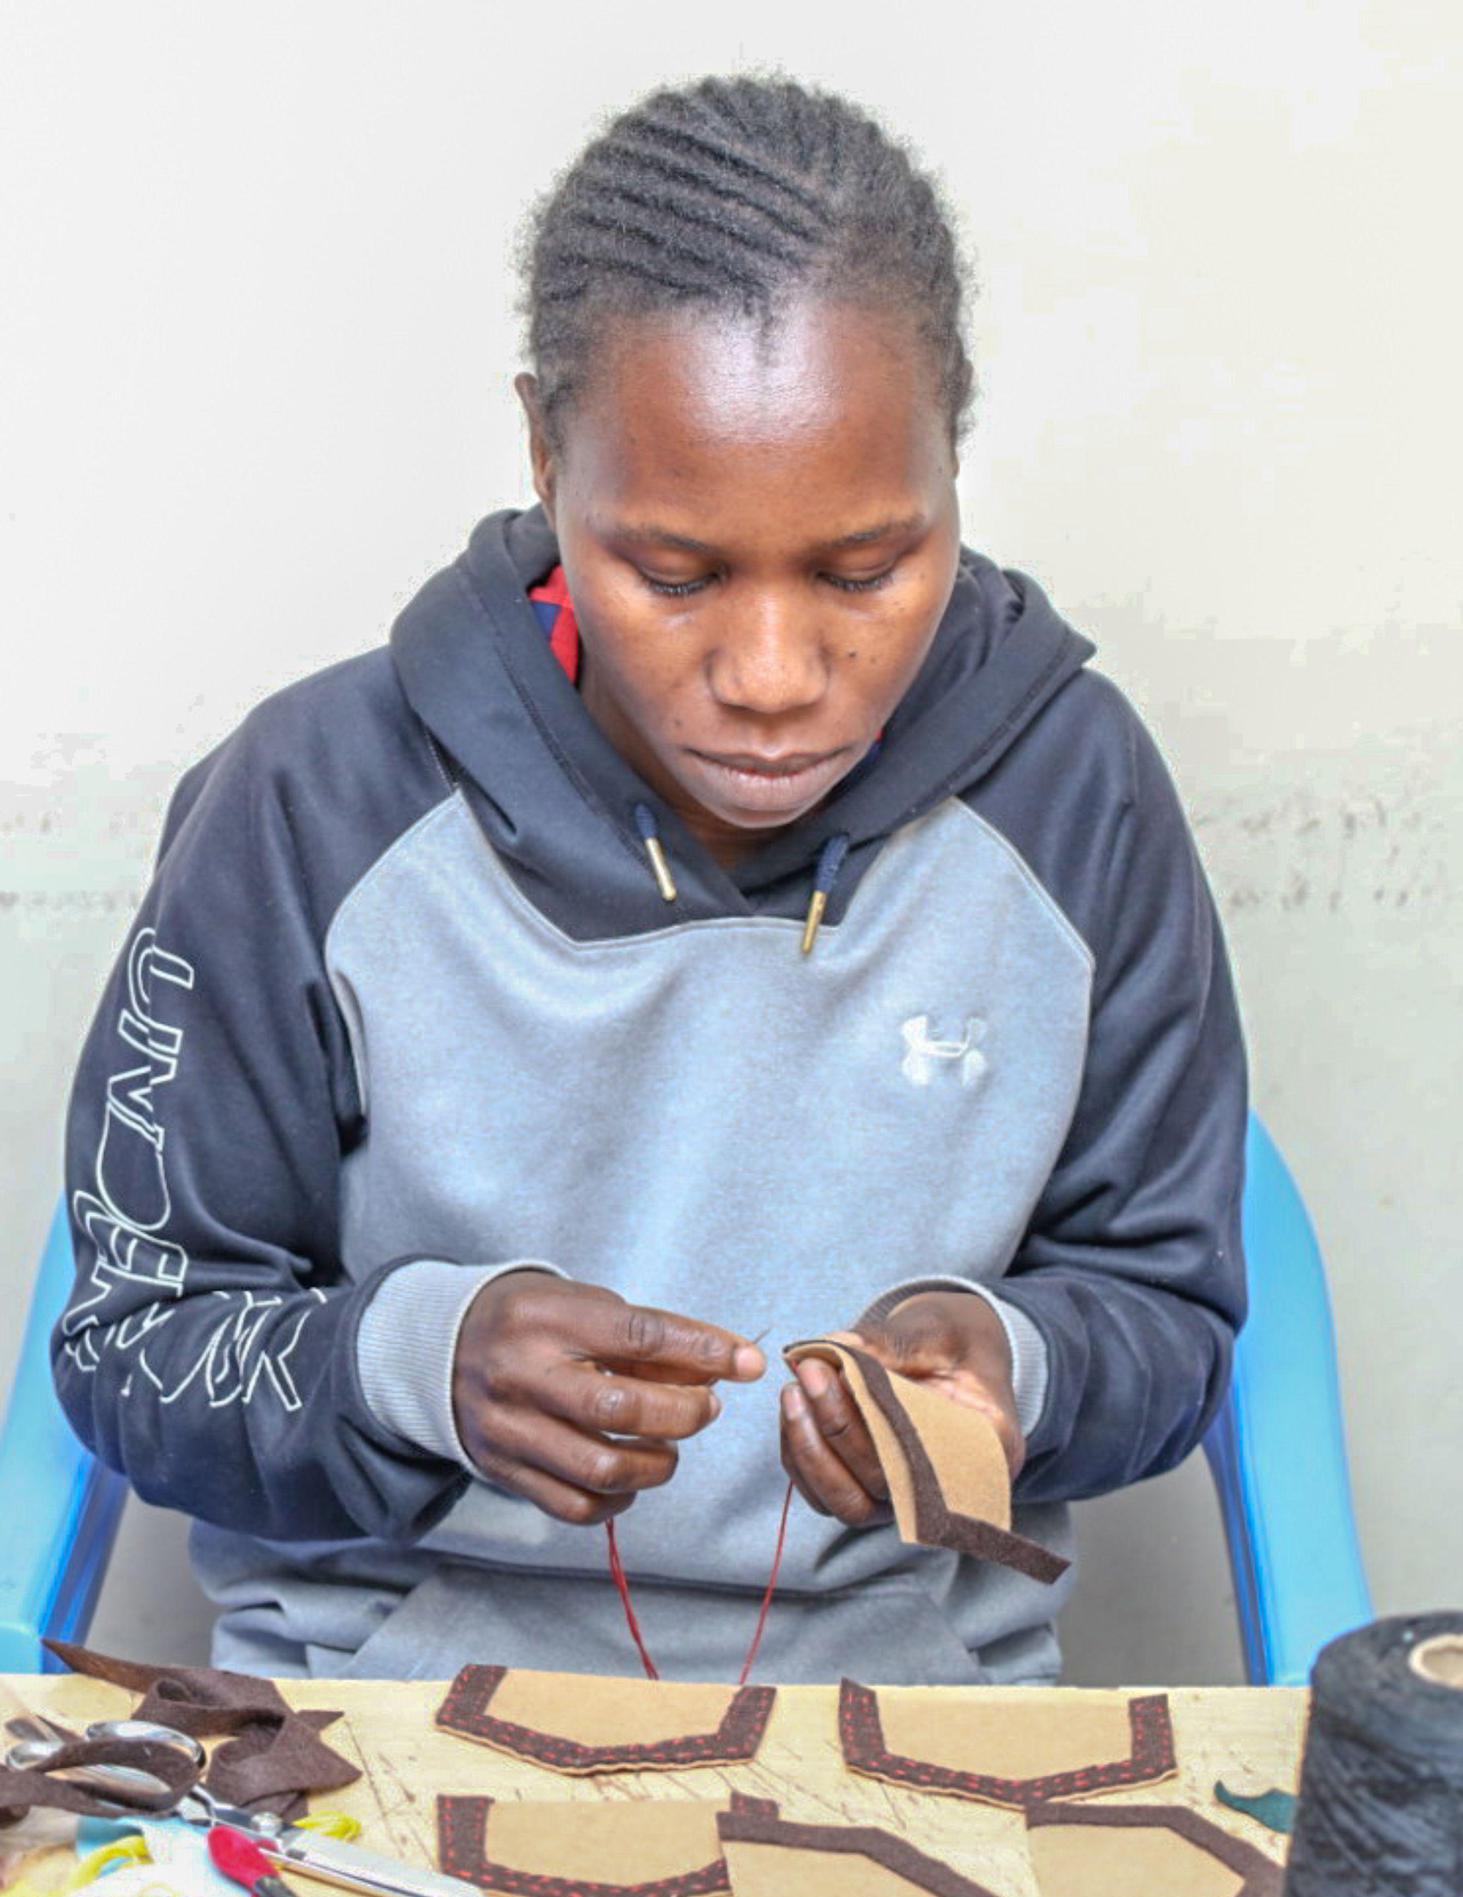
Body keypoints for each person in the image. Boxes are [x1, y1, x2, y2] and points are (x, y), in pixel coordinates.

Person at [51, 74, 1246, 1685]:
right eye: (671, 574)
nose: (771, 676)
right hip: (382, 1719)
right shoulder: (310, 805)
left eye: (867, 570)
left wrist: (1014, 1371)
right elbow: (135, 1347)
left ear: (953, 453)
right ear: (546, 454)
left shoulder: (1076, 794)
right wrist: (422, 1370)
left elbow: (1168, 1315)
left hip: (915, 1724)